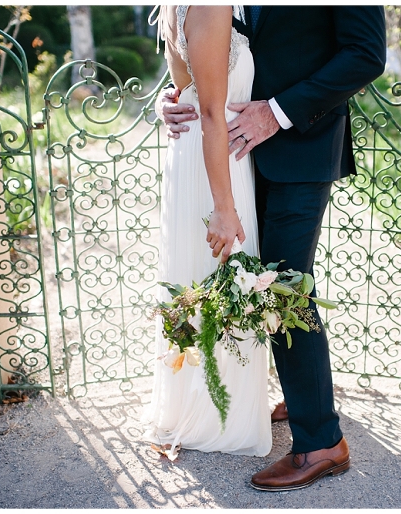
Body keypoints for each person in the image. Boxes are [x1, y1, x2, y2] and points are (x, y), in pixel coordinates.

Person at [159, 6, 387, 491]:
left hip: (300, 143)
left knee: (284, 288)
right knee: (249, 282)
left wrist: (276, 113)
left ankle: (321, 442)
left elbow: (365, 54)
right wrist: (179, 97)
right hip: (236, 151)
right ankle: (303, 398)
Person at [144, 5, 271, 459]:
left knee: (203, 280)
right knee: (220, 276)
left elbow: (187, 87)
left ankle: (201, 404)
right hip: (215, 165)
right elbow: (213, 113)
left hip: (204, 154)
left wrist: (170, 100)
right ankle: (221, 418)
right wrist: (223, 207)